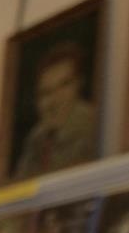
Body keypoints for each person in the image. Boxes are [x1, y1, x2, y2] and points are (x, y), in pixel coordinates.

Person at [12, 40, 98, 178]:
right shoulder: (36, 139)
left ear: (79, 84)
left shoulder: (91, 126)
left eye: (64, 85)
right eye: (46, 92)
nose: (55, 100)